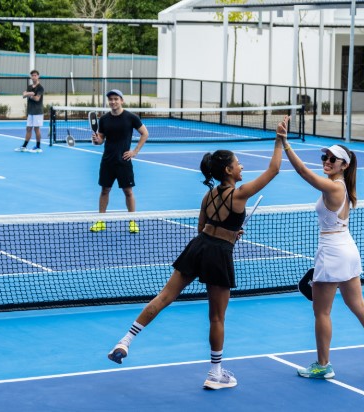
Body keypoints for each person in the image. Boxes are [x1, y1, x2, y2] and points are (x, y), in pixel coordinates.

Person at [106, 118, 286, 390]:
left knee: (164, 296)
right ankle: (215, 373)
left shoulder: (209, 195)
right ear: (228, 170)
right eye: (238, 163)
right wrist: (279, 139)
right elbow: (274, 169)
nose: (242, 167)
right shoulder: (239, 195)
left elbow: (204, 227)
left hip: (198, 246)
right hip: (217, 254)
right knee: (216, 317)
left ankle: (125, 340)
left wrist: (228, 231)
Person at [279, 137, 364, 379]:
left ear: (344, 165)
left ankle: (323, 365)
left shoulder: (334, 187)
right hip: (347, 250)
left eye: (333, 159)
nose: (327, 161)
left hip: (332, 252)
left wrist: (285, 144)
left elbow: (302, 172)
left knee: (321, 311)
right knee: (358, 305)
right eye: (325, 157)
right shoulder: (343, 187)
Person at [89, 89, 149, 234]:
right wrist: (97, 141)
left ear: (122, 100)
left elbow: (145, 133)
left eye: (116, 99)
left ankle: (132, 221)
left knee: (128, 192)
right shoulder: (104, 119)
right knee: (104, 190)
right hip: (108, 161)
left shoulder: (131, 117)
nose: (113, 101)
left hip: (124, 162)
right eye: (110, 99)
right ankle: (101, 221)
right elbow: (101, 139)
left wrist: (135, 151)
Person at [16, 69, 44, 153]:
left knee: (36, 129)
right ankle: (24, 146)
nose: (34, 77)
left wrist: (29, 95)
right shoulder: (29, 87)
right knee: (28, 129)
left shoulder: (40, 88)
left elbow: (37, 99)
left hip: (37, 111)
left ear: (38, 76)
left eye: (35, 75)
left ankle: (38, 147)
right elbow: (23, 95)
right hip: (30, 111)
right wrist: (29, 93)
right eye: (32, 75)